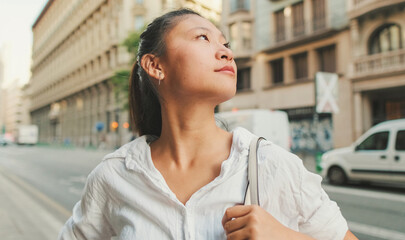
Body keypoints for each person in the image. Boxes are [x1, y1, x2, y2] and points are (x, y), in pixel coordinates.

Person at [58, 8, 358, 240]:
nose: (227, 51)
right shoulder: (114, 176)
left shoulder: (274, 167)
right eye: (203, 37)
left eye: (225, 43)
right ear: (155, 65)